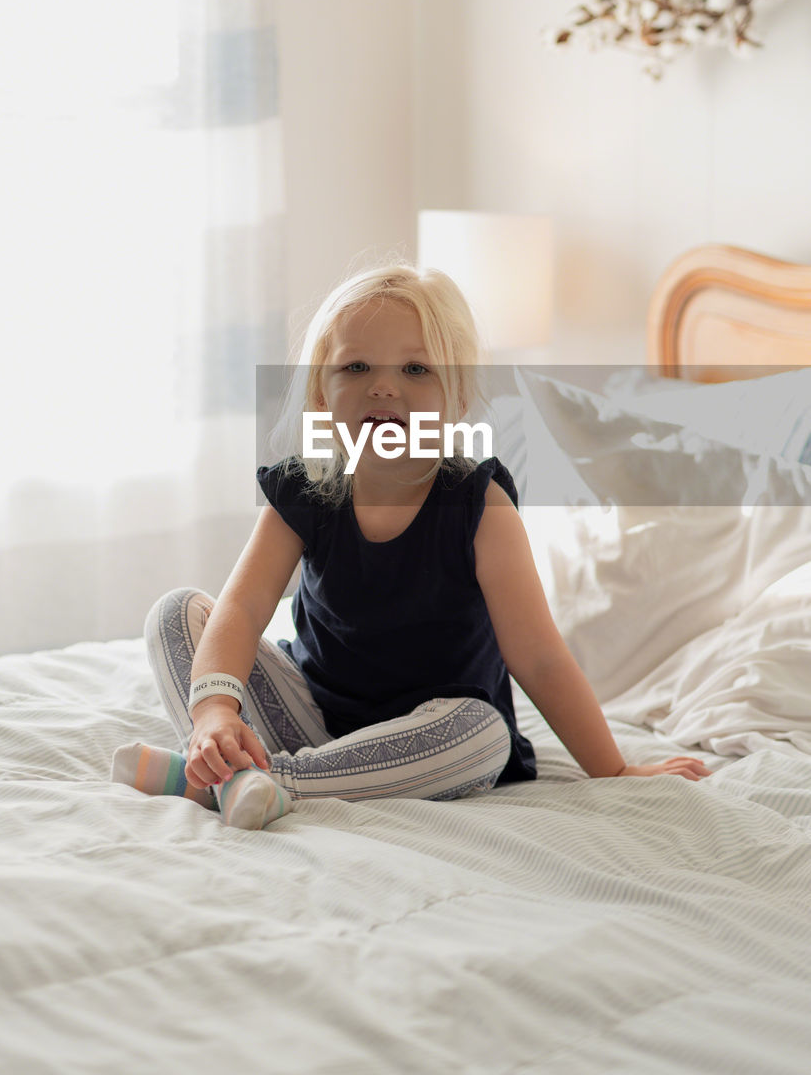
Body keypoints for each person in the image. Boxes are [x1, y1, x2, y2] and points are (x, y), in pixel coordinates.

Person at [111, 261, 710, 830]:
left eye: (416, 370)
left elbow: (541, 659)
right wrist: (215, 713)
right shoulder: (304, 490)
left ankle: (265, 782)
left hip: (429, 735)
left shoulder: (480, 509)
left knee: (485, 733)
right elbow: (241, 610)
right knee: (178, 613)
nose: (384, 389)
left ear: (457, 402)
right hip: (312, 719)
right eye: (356, 368)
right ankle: (233, 767)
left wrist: (617, 768)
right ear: (320, 396)